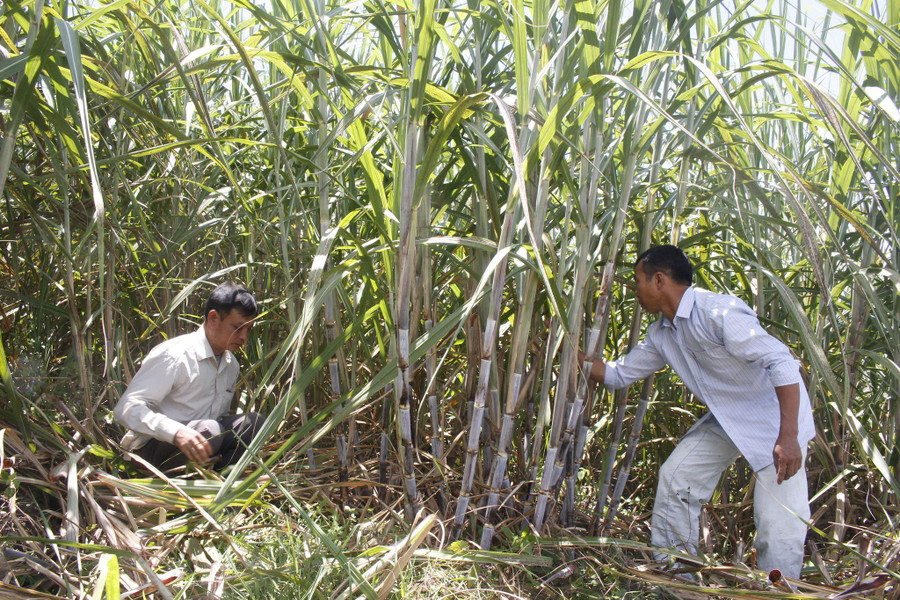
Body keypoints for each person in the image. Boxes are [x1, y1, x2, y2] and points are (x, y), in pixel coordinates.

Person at [581, 245, 814, 578]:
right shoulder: (662, 333)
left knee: (779, 522)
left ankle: (781, 592)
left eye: (638, 281)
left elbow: (782, 362)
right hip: (729, 417)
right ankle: (679, 579)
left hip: (774, 419)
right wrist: (567, 343)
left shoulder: (717, 313)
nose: (636, 291)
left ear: (658, 280)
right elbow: (617, 374)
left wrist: (789, 436)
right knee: (679, 478)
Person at [114, 281, 264, 472]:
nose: (243, 337)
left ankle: (213, 473)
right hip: (152, 450)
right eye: (237, 327)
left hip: (203, 442)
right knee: (210, 431)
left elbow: (220, 417)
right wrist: (175, 432)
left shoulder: (230, 364)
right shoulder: (175, 355)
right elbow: (125, 409)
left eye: (248, 330)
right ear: (213, 318)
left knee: (255, 424)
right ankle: (186, 476)